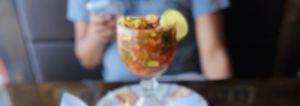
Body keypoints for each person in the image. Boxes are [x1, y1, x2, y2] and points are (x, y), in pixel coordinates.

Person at [67, 0, 233, 81]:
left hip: (180, 83)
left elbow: (213, 54)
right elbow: (87, 59)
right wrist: (97, 34)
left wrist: (223, 105)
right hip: (119, 86)